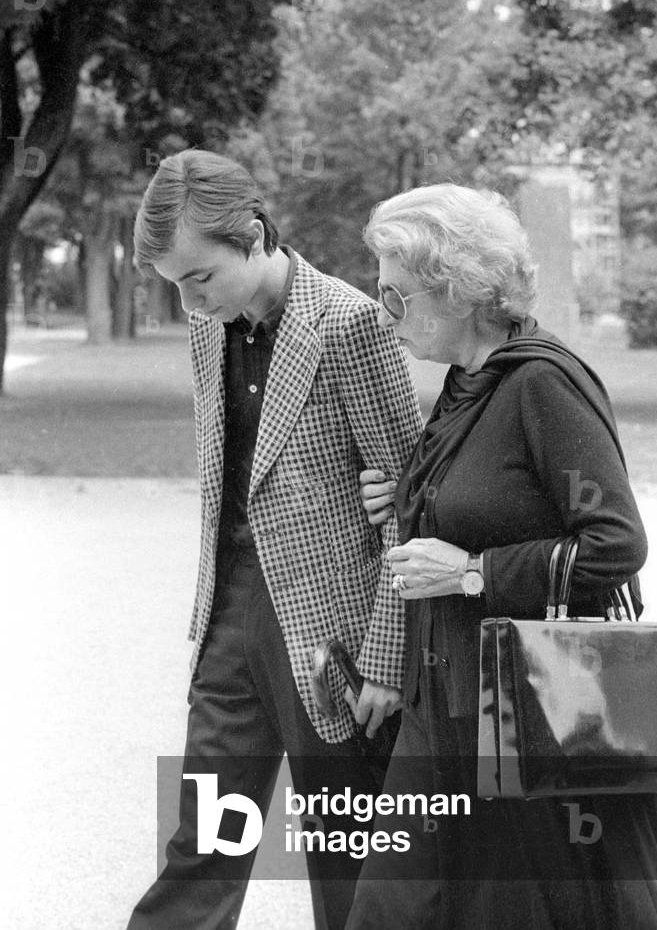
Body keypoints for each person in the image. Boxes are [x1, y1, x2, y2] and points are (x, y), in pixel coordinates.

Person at [345, 182, 657, 929]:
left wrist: (469, 572)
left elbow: (615, 543)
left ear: (456, 289)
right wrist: (406, 498)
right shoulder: (466, 383)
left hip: (522, 706)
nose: (384, 315)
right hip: (443, 700)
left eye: (396, 296)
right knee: (388, 908)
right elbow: (487, 498)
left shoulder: (542, 382)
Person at [126, 150, 423, 930]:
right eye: (176, 287)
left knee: (345, 855)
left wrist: (387, 660)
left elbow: (411, 504)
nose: (191, 303)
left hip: (337, 639)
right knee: (201, 843)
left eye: (199, 279)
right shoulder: (208, 328)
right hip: (229, 620)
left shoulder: (351, 323)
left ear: (253, 235)